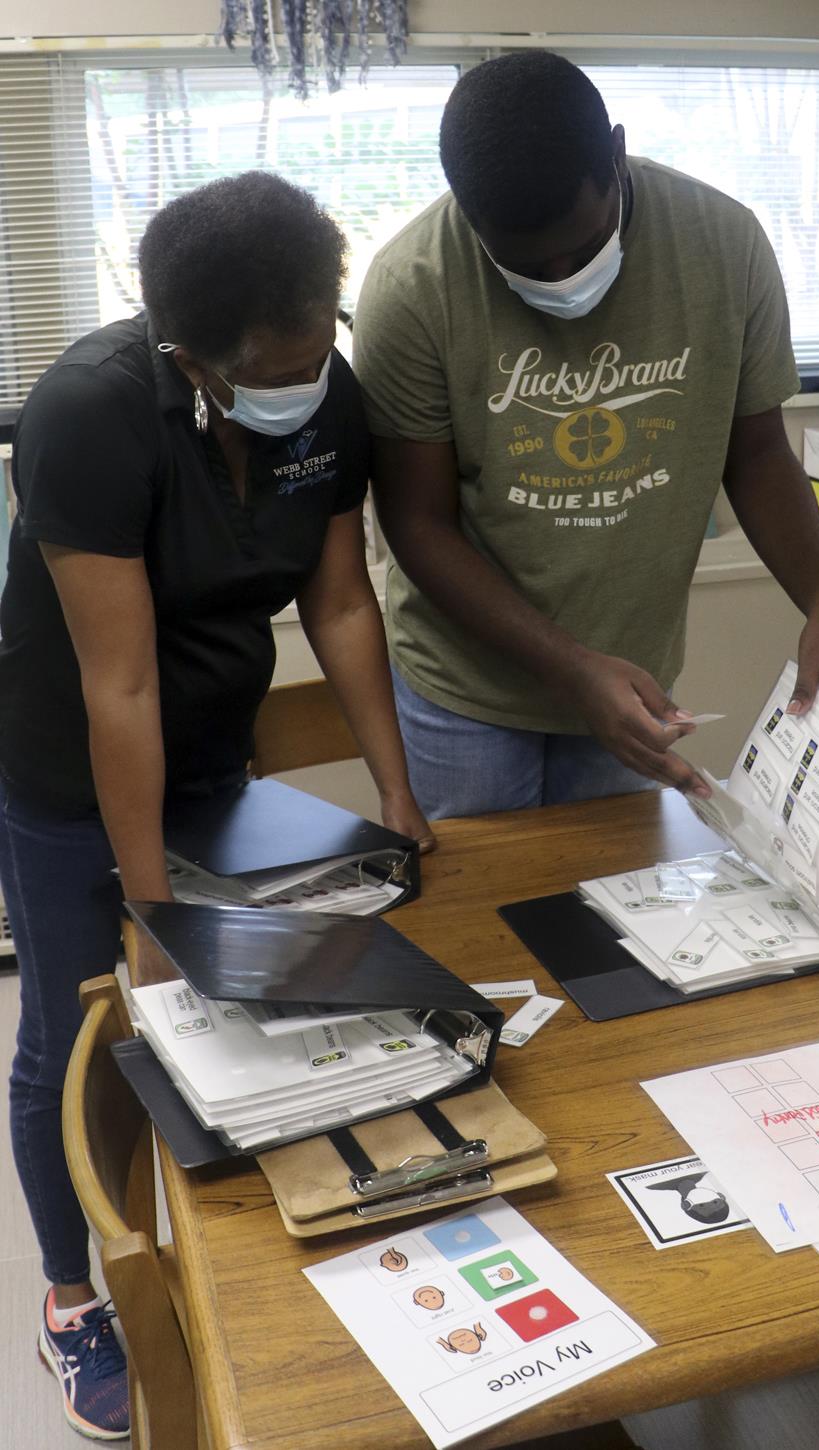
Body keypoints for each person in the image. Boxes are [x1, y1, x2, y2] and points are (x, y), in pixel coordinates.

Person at [0, 170, 430, 1441]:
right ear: (189, 357)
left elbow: (341, 601)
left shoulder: (325, 396)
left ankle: (216, 1251)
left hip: (214, 759)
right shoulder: (84, 416)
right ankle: (76, 1292)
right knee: (82, 1032)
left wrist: (398, 799)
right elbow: (115, 684)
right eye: (281, 361)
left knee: (234, 1013)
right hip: (70, 765)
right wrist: (146, 902)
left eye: (323, 340)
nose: (314, 374)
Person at [352, 51, 819, 821]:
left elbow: (757, 452)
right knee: (471, 932)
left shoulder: (724, 246)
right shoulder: (412, 288)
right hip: (464, 694)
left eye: (586, 243)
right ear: (467, 214)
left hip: (632, 681)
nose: (562, 276)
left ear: (617, 154)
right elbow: (416, 522)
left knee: (612, 926)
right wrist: (570, 668)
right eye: (525, 265)